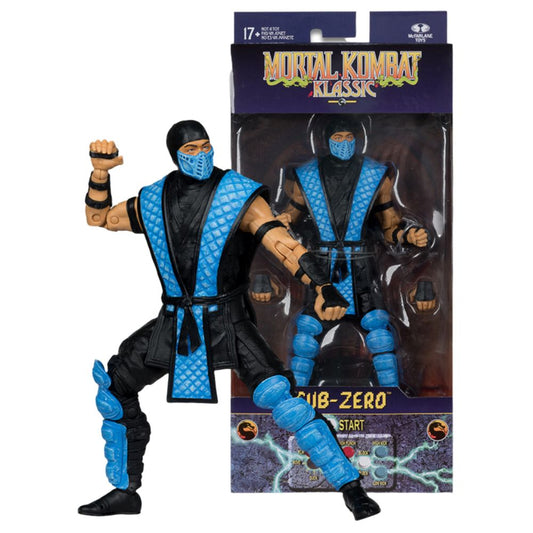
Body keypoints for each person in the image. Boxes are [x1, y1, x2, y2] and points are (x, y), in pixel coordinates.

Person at [78, 120, 380, 521]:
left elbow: (283, 245)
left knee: (285, 401)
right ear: (175, 155)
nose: (201, 155)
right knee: (114, 387)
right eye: (191, 150)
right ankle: (124, 491)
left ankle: (352, 488)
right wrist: (100, 174)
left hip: (229, 322)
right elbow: (100, 218)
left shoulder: (237, 195)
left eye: (206, 146)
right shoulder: (154, 199)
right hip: (175, 322)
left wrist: (322, 285)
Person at [267, 116, 435, 388]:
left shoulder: (375, 175)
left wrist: (407, 235)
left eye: (348, 138)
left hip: (362, 268)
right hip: (321, 267)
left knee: (379, 333)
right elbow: (290, 216)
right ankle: (297, 393)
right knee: (306, 336)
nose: (344, 143)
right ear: (327, 140)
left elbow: (389, 227)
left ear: (357, 140)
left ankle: (392, 394)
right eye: (338, 138)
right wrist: (280, 222)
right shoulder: (306, 177)